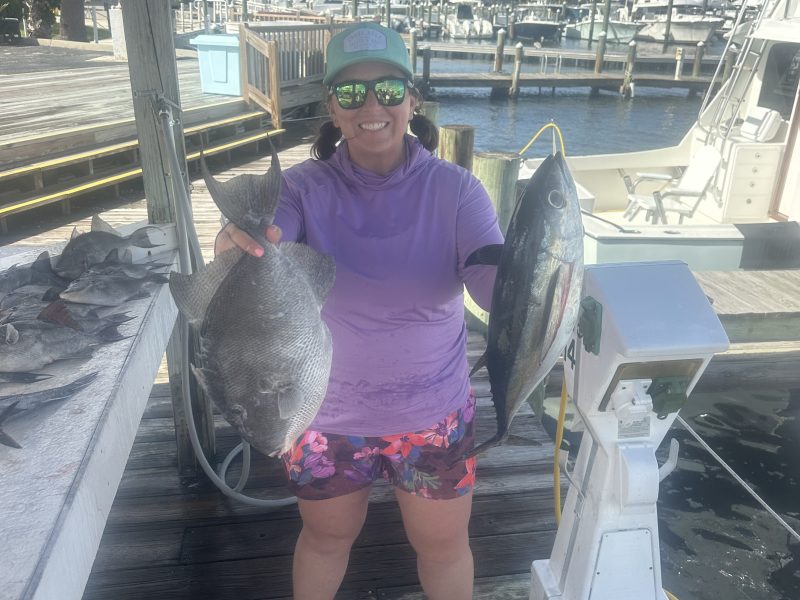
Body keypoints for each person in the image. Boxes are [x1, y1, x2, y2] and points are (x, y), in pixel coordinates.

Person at [214, 21, 503, 600]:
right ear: (332, 109)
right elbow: (276, 234)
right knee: (324, 541)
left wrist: (541, 290)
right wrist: (239, 246)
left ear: (412, 101)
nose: (372, 106)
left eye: (388, 91)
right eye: (351, 94)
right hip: (323, 414)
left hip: (433, 415)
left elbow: (491, 284)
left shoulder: (458, 190)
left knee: (444, 548)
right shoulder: (299, 188)